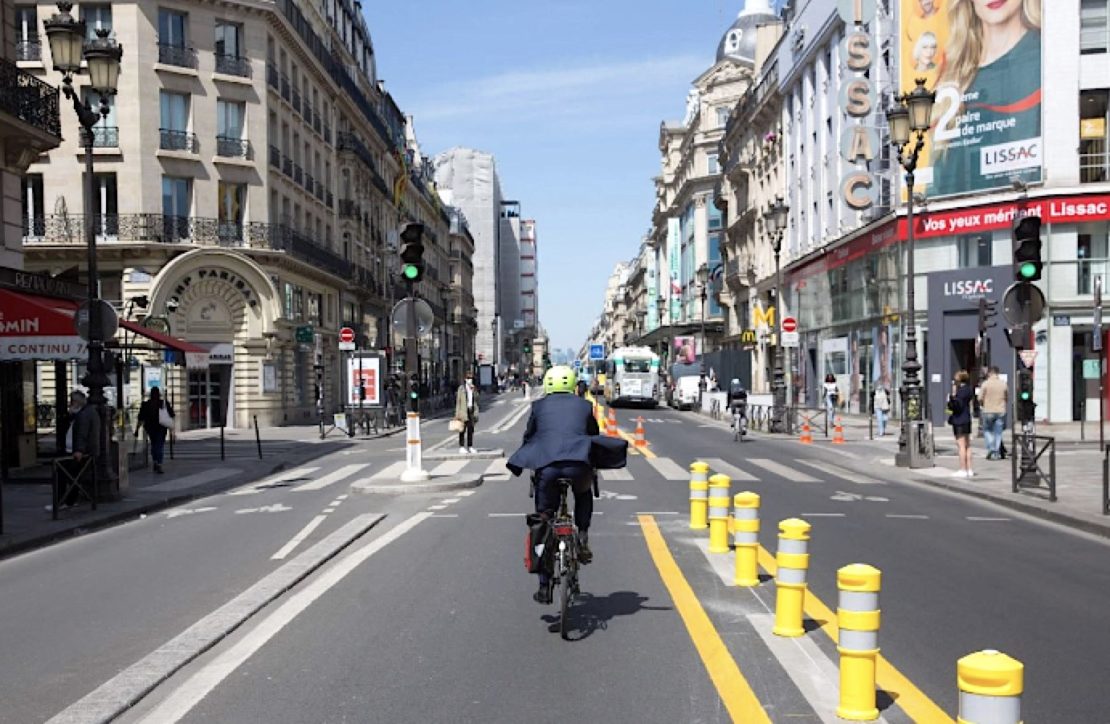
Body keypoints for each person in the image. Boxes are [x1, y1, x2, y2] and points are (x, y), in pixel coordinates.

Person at [507, 365, 626, 603]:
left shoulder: (538, 406)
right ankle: (582, 535)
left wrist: (530, 456)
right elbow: (592, 433)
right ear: (573, 385)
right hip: (578, 464)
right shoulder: (584, 405)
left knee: (543, 519)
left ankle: (543, 586)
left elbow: (529, 437)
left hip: (548, 467)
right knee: (583, 494)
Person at [930, 0, 1041, 197]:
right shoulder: (952, 74)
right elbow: (938, 179)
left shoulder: (1046, 53)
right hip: (958, 221)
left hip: (1030, 210)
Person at [55, 391, 100, 507]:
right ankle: (70, 500)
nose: (70, 405)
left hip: (78, 453)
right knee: (73, 477)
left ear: (76, 402)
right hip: (80, 452)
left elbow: (82, 433)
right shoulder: (85, 412)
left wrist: (79, 450)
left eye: (71, 402)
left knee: (65, 475)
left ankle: (63, 501)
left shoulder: (84, 415)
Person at [136, 386, 174, 474]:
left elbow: (140, 418)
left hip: (150, 428)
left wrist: (137, 429)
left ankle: (155, 461)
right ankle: (158, 463)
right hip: (161, 428)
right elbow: (171, 414)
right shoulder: (163, 403)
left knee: (154, 445)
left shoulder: (146, 404)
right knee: (159, 445)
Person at [948, 370, 975, 478]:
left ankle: (963, 469)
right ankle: (969, 469)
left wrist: (951, 398)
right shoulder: (968, 390)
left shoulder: (960, 392)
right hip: (967, 419)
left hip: (959, 420)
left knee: (961, 445)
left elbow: (956, 406)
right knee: (968, 445)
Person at [978, 366, 1008, 460]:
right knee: (998, 432)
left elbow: (979, 398)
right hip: (1000, 410)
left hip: (988, 410)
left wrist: (982, 403)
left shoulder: (985, 384)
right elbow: (1007, 397)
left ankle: (991, 448)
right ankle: (996, 451)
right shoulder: (1003, 384)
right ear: (997, 373)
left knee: (987, 430)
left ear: (990, 373)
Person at [454, 372, 479, 454]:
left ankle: (470, 446)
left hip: (471, 410)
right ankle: (461, 446)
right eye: (468, 378)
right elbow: (458, 402)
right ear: (465, 379)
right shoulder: (461, 389)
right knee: (462, 429)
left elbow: (477, 399)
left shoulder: (473, 388)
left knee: (471, 429)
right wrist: (457, 414)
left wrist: (474, 390)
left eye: (471, 378)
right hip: (463, 411)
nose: (470, 380)